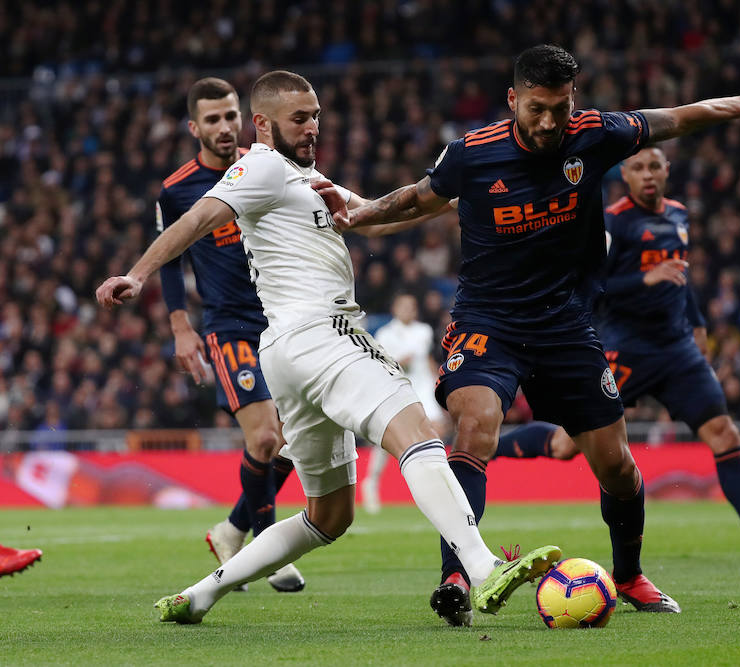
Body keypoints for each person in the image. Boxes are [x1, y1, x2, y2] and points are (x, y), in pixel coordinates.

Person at [338, 44, 740, 625]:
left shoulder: (594, 134)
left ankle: (629, 576)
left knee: (617, 465)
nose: (550, 122)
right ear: (513, 100)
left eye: (561, 108)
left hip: (566, 324)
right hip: (488, 320)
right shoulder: (473, 152)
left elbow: (682, 116)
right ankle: (457, 576)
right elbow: (421, 197)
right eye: (538, 109)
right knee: (474, 430)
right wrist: (363, 213)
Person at [96, 70, 560, 625]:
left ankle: (201, 594)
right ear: (263, 125)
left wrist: (465, 190)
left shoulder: (303, 177)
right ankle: (483, 568)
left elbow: (379, 220)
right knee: (419, 432)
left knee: (328, 517)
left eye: (316, 114)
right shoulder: (261, 166)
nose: (313, 125)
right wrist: (139, 274)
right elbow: (196, 217)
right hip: (323, 335)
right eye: (300, 118)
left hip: (289, 356)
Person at [597, 145, 740, 561]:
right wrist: (646, 277)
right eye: (638, 167)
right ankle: (493, 447)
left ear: (666, 170)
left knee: (724, 434)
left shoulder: (678, 213)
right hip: (625, 350)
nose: (647, 175)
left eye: (654, 166)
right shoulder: (613, 222)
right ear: (624, 174)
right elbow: (594, 287)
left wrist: (697, 326)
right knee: (571, 444)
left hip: (678, 349)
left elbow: (681, 277)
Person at [156, 77, 303, 592]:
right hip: (229, 327)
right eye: (212, 120)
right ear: (194, 127)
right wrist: (181, 327)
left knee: (294, 445)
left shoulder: (265, 167)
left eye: (230, 116)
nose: (224, 127)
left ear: (243, 117)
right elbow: (170, 259)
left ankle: (232, 529)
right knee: (264, 437)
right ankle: (268, 550)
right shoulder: (177, 189)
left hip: (285, 322)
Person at [362, 293, 449, 513]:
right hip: (397, 386)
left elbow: (428, 358)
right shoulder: (385, 334)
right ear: (395, 309)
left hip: (424, 387)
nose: (408, 310)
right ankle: (371, 482)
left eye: (411, 306)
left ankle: (436, 489)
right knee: (386, 440)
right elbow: (379, 364)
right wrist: (400, 361)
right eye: (404, 306)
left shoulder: (424, 331)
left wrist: (437, 382)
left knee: (436, 430)